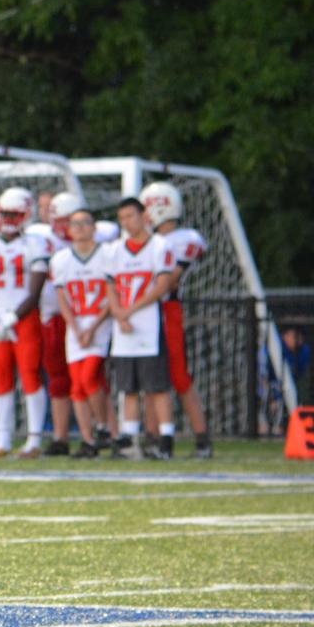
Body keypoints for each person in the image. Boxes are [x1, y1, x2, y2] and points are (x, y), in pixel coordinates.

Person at [0, 187, 51, 459]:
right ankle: (2, 439)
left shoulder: (36, 243)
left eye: (14, 214)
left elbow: (35, 291)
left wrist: (11, 317)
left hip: (24, 318)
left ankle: (33, 440)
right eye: (4, 213)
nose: (7, 218)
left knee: (30, 375)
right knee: (0, 376)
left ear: (26, 215)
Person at [140, 182, 212, 458]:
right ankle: (152, 439)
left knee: (178, 376)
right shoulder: (149, 242)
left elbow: (169, 282)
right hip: (144, 310)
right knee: (148, 377)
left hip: (164, 309)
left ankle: (202, 439)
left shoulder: (183, 239)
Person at [106, 197, 177, 460]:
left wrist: (130, 310)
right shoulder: (114, 250)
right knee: (128, 388)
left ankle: (165, 438)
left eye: (131, 216)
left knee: (157, 387)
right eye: (122, 217)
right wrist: (118, 313)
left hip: (148, 326)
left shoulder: (159, 246)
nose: (126, 222)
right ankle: (129, 439)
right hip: (124, 329)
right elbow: (110, 286)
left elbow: (162, 285)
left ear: (143, 216)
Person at [49, 207, 113, 457]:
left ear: (94, 227)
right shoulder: (61, 259)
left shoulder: (107, 255)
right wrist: (75, 328)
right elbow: (62, 299)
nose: (80, 228)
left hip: (100, 323)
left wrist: (92, 327)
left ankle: (102, 426)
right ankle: (88, 441)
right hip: (75, 328)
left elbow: (111, 294)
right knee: (76, 386)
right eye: (74, 224)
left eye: (85, 223)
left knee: (89, 378)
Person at [27, 192, 82, 455]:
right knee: (58, 379)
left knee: (89, 379)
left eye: (68, 220)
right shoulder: (40, 237)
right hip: (52, 316)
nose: (62, 227)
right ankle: (60, 436)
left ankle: (96, 433)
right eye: (58, 220)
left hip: (87, 319)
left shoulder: (98, 241)